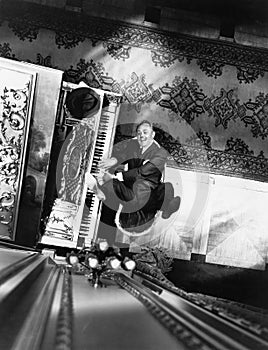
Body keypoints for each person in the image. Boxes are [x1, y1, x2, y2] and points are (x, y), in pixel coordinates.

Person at [87, 120, 181, 233]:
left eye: (145, 132)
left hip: (143, 192)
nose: (141, 135)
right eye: (139, 132)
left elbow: (142, 172)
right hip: (133, 190)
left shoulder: (161, 154)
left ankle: (102, 192)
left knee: (133, 194)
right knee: (119, 190)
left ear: (153, 134)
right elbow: (125, 154)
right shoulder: (134, 144)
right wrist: (114, 160)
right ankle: (103, 192)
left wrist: (116, 177)